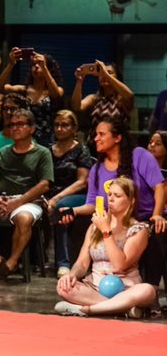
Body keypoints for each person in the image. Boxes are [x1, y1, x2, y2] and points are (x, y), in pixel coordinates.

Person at [59, 119, 165, 287]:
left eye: (102, 134)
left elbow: (160, 186)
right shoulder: (97, 169)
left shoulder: (139, 155)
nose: (96, 138)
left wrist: (157, 214)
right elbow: (93, 205)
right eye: (95, 134)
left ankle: (149, 290)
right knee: (77, 224)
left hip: (144, 218)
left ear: (117, 138)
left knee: (158, 232)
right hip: (113, 220)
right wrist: (74, 211)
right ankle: (80, 277)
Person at [55, 177, 157, 317]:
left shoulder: (139, 230)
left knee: (147, 291)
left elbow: (119, 266)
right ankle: (122, 308)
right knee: (63, 288)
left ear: (131, 200)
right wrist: (71, 275)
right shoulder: (94, 227)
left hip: (127, 288)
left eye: (117, 195)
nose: (111, 199)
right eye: (109, 195)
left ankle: (86, 310)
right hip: (95, 287)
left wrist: (106, 231)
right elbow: (82, 263)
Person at [0, 109, 54, 280]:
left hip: (28, 200)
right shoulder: (1, 153)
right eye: (12, 125)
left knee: (23, 218)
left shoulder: (42, 152)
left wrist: (16, 204)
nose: (15, 128)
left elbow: (44, 184)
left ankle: (11, 263)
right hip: (1, 200)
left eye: (20, 124)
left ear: (32, 129)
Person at [47, 110, 93, 277]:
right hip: (50, 193)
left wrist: (56, 198)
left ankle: (63, 263)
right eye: (57, 125)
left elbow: (82, 181)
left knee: (62, 206)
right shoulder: (48, 150)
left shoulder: (81, 150)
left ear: (74, 129)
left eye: (65, 125)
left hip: (76, 194)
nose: (60, 129)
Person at [0, 48, 63, 148]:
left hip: (48, 140)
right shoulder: (24, 89)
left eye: (39, 64)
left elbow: (56, 95)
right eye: (33, 65)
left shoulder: (56, 90)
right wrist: (10, 64)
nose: (36, 67)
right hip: (25, 138)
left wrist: (44, 68)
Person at [71, 60, 134, 146]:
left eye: (110, 72)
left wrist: (106, 74)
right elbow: (76, 106)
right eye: (101, 73)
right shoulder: (94, 98)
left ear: (117, 77)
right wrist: (79, 82)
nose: (103, 75)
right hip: (94, 146)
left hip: (117, 148)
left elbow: (129, 95)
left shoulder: (121, 99)